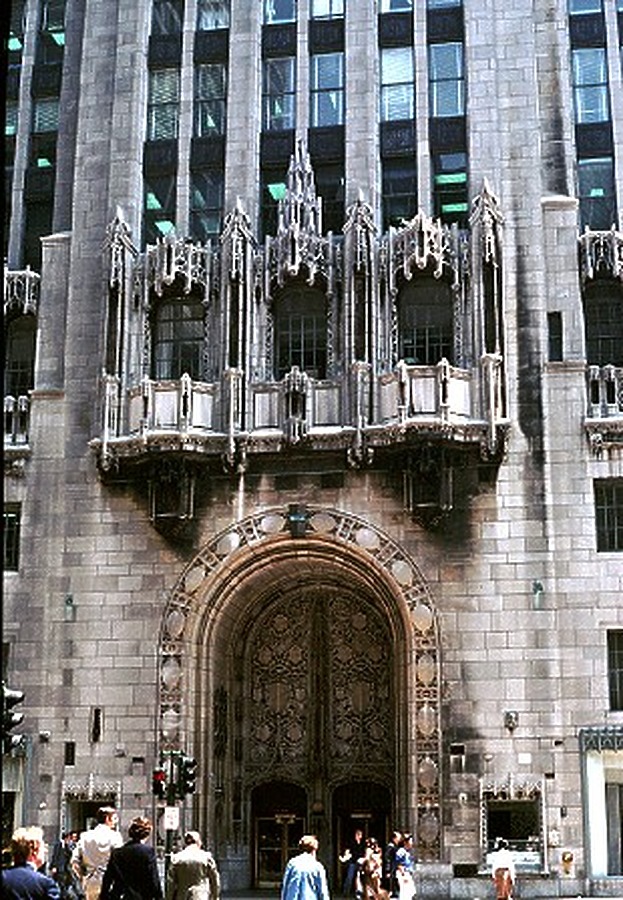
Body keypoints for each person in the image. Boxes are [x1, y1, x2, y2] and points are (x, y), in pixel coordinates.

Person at [100, 817, 162, 900]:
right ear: (147, 834)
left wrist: (104, 895)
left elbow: (108, 878)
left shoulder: (117, 853)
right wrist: (159, 897)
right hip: (142, 896)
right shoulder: (148, 852)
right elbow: (154, 879)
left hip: (120, 895)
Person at [72, 808, 122, 900]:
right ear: (107, 819)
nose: (116, 822)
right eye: (114, 818)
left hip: (90, 881)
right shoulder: (115, 836)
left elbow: (74, 861)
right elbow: (120, 861)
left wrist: (83, 876)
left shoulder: (85, 836)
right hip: (109, 882)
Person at [1, 825, 61, 900]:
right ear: (34, 851)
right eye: (43, 847)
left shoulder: (4, 878)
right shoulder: (45, 884)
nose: (46, 851)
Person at [165, 831, 220, 900]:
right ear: (198, 842)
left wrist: (169, 898)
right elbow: (214, 880)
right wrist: (215, 897)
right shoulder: (206, 857)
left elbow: (170, 883)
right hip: (201, 896)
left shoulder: (176, 858)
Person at [280, 834, 330, 900]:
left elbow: (285, 887)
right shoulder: (317, 866)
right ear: (314, 849)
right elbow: (323, 891)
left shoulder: (292, 863)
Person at [50, 833, 82, 900]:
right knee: (61, 884)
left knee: (67, 883)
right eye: (69, 838)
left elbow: (70, 854)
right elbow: (55, 856)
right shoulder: (58, 845)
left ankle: (67, 896)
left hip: (67, 869)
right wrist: (54, 866)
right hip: (60, 868)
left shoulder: (69, 846)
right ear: (66, 838)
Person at [339, 828, 365, 897]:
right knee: (349, 877)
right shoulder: (351, 842)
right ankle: (346, 893)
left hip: (360, 862)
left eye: (360, 835)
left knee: (359, 878)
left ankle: (359, 893)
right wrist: (345, 857)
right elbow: (347, 851)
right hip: (353, 862)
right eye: (358, 835)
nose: (359, 836)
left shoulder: (363, 843)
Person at [394, 834, 415, 900]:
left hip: (407, 873)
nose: (412, 843)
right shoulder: (401, 851)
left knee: (410, 892)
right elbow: (398, 863)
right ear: (405, 842)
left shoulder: (407, 852)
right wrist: (403, 875)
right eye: (410, 841)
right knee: (405, 893)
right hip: (403, 873)